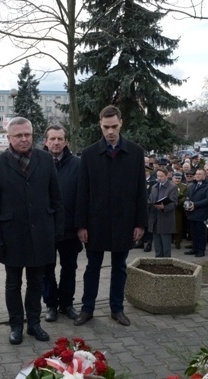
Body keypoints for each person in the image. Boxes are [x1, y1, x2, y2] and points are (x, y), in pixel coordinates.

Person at [0, 117, 63, 345]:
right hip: (12, 235)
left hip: (41, 233)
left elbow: (57, 198)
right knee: (13, 283)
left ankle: (34, 324)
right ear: (9, 138)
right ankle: (16, 325)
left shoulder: (46, 160)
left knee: (36, 282)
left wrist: (56, 231)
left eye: (27, 134)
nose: (24, 139)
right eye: (18, 135)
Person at [74, 105, 148, 327]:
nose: (110, 132)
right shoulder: (88, 155)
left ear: (121, 123)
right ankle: (87, 309)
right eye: (106, 127)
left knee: (120, 267)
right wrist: (81, 225)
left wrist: (140, 223)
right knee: (92, 268)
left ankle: (117, 309)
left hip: (124, 222)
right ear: (100, 125)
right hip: (95, 223)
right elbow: (82, 192)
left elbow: (140, 191)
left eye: (114, 126)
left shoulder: (135, 153)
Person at [42, 125, 81, 322]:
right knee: (46, 269)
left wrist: (81, 225)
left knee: (69, 268)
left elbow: (84, 197)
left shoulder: (78, 164)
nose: (56, 142)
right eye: (52, 139)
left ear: (66, 142)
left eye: (60, 139)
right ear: (45, 141)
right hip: (45, 229)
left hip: (69, 228)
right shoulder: (37, 162)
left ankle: (66, 303)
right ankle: (50, 304)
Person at [147, 167, 178, 258]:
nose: (159, 178)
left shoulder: (172, 187)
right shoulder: (154, 187)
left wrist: (164, 207)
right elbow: (150, 199)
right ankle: (158, 264)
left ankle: (167, 265)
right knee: (157, 246)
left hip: (165, 220)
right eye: (158, 176)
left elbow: (174, 203)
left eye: (161, 176)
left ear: (166, 176)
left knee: (166, 246)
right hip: (155, 219)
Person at [184, 168, 208, 258]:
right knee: (193, 232)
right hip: (191, 213)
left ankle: (201, 250)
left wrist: (195, 204)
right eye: (196, 174)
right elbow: (189, 197)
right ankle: (194, 248)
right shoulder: (193, 185)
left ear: (205, 176)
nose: (197, 175)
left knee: (201, 233)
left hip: (202, 213)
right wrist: (187, 204)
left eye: (200, 174)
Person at [171, 172, 188, 249]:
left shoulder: (184, 187)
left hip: (178, 209)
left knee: (178, 226)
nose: (177, 180)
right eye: (176, 178)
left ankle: (178, 242)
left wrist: (178, 203)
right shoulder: (168, 185)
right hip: (168, 209)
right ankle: (169, 240)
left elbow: (185, 197)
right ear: (172, 178)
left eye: (179, 178)